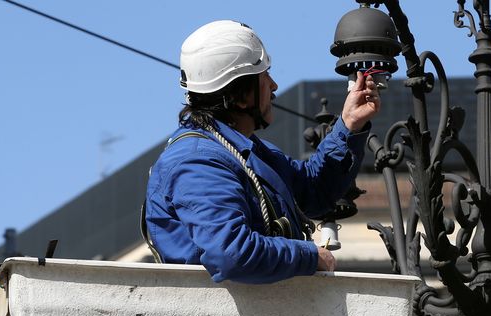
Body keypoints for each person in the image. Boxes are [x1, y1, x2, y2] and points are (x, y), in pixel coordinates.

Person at [143, 20, 380, 284]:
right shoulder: (197, 162)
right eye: (264, 77)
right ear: (241, 96)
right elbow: (232, 253)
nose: (274, 85)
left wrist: (349, 124)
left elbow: (314, 190)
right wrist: (310, 256)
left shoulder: (245, 151)